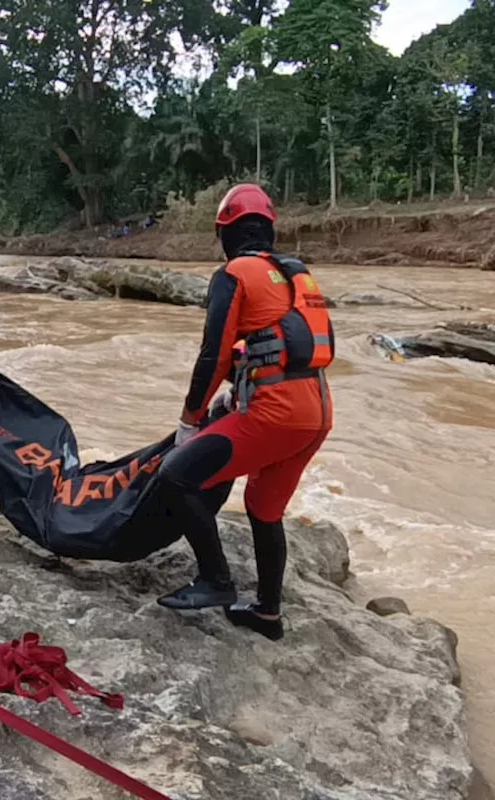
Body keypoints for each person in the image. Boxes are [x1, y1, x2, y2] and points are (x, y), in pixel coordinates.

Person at [154, 183, 335, 642]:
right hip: (317, 413)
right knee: (263, 509)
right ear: (269, 229)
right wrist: (236, 388)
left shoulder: (234, 273)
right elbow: (275, 342)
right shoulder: (297, 274)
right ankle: (268, 614)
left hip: (275, 414)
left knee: (176, 476)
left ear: (225, 232)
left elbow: (212, 353)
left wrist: (189, 420)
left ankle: (216, 581)